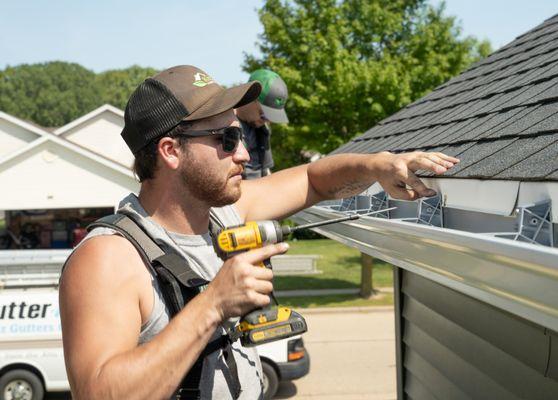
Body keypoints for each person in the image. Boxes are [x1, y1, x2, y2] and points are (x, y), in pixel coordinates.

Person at [59, 65, 459, 400]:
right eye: (227, 139)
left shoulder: (227, 213)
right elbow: (98, 392)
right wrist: (213, 304)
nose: (245, 154)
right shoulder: (110, 258)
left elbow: (315, 180)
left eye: (241, 135)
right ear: (170, 150)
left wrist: (376, 166)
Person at [235, 69, 288, 179]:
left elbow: (266, 171)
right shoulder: (223, 125)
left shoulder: (262, 129)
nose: (266, 121)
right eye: (264, 115)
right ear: (249, 96)